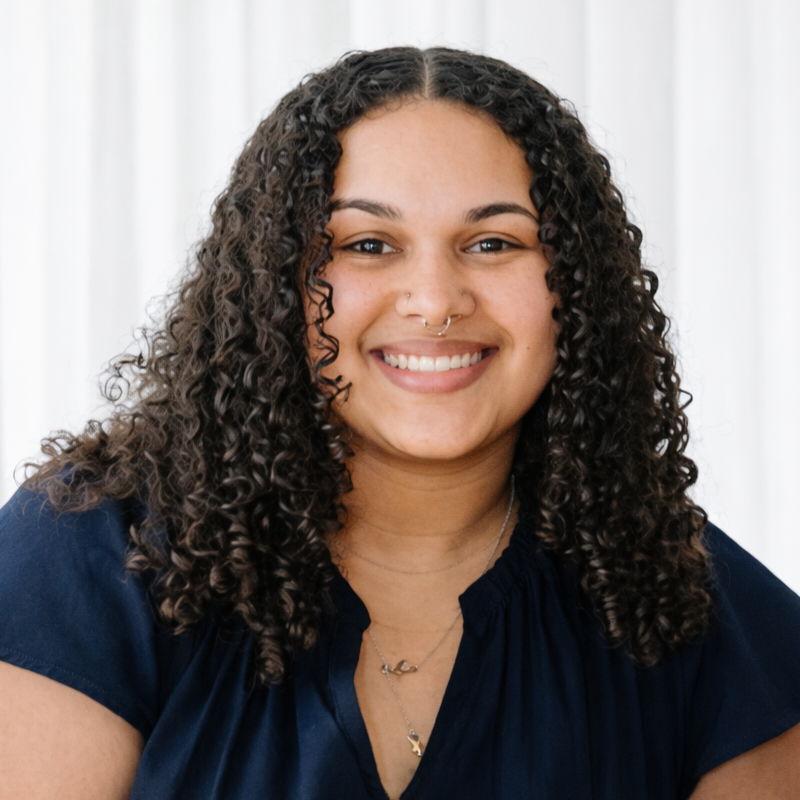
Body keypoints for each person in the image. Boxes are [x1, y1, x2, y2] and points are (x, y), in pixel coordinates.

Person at [1, 45, 799, 800]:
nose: (435, 300)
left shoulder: (709, 620)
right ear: (274, 282)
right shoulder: (89, 557)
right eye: (370, 244)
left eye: (493, 242)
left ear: (578, 285)